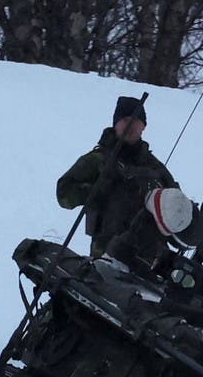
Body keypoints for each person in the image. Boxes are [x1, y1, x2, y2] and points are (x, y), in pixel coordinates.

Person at [55, 93, 182, 268]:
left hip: (147, 263)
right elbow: (64, 195)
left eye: (135, 121)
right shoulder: (98, 160)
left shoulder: (156, 170)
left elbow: (177, 207)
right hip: (104, 258)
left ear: (143, 126)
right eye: (125, 120)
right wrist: (97, 189)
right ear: (116, 123)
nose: (130, 125)